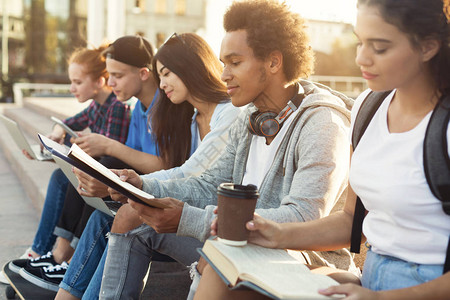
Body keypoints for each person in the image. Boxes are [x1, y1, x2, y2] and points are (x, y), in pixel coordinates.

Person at [99, 0, 359, 299]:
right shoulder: (250, 118)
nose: (223, 75)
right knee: (131, 217)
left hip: (303, 258)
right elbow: (211, 184)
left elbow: (303, 218)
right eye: (224, 63)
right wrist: (142, 185)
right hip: (239, 241)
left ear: (274, 62)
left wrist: (191, 219)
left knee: (218, 258)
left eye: (235, 63)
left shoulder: (322, 123)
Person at [195, 0, 450, 299]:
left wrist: (384, 297)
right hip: (372, 278)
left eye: (379, 47)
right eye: (359, 43)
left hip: (426, 287)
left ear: (428, 47)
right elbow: (350, 222)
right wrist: (275, 233)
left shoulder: (442, 127)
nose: (362, 59)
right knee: (221, 273)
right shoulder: (368, 109)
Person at [54, 32, 240, 300]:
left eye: (166, 74)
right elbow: (183, 172)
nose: (162, 84)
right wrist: (124, 180)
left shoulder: (229, 114)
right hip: (192, 217)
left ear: (190, 68)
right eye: (159, 75)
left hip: (210, 228)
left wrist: (133, 183)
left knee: (128, 217)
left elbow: (192, 177)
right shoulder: (192, 119)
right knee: (103, 216)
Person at [14, 35, 160, 291]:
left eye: (116, 75)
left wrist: (103, 147)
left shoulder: (131, 108)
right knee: (67, 174)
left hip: (144, 189)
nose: (111, 82)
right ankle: (48, 253)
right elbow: (73, 124)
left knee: (95, 166)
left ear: (144, 73)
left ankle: (62, 257)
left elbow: (148, 161)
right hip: (130, 179)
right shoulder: (137, 109)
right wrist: (59, 140)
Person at [2, 44, 131, 282]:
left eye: (77, 82)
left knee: (66, 177)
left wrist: (69, 154)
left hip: (111, 182)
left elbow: (110, 158)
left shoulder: (117, 108)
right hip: (96, 173)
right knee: (60, 177)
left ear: (99, 81)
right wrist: (56, 135)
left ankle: (55, 254)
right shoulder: (97, 106)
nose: (72, 88)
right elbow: (65, 121)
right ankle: (44, 250)